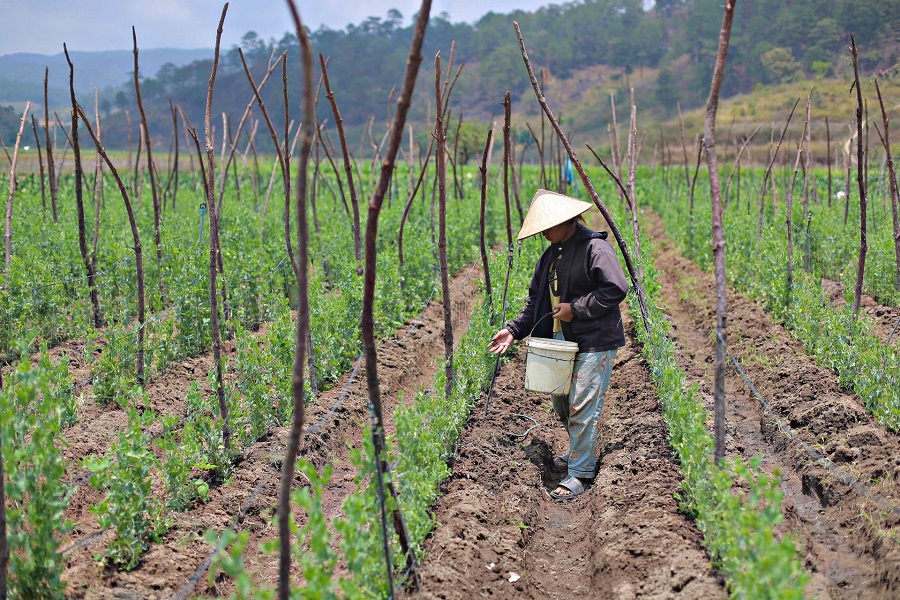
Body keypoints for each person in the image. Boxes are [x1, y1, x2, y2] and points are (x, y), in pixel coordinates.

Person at [488, 189, 629, 500]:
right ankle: (581, 451)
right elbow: (535, 302)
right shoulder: (551, 255)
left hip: (595, 339)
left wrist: (575, 309)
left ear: (566, 221)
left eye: (547, 228)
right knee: (562, 403)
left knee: (582, 403)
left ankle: (581, 473)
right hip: (563, 342)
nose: (545, 235)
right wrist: (513, 331)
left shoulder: (596, 249)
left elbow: (617, 288)